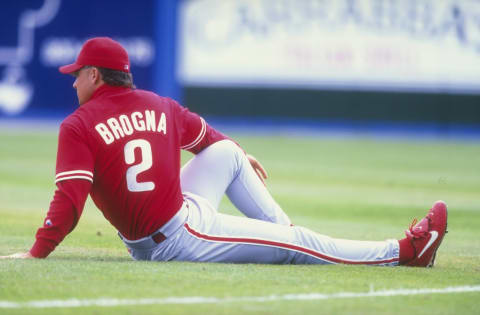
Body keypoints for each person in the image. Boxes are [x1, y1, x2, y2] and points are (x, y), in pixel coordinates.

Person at [0, 37, 447, 267]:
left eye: (77, 73)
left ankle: (283, 239)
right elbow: (202, 133)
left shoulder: (77, 125)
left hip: (167, 226)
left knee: (232, 155)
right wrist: (234, 150)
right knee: (279, 218)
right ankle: (404, 252)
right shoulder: (160, 104)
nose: (72, 79)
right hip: (177, 238)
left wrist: (39, 250)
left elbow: (70, 201)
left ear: (96, 76)